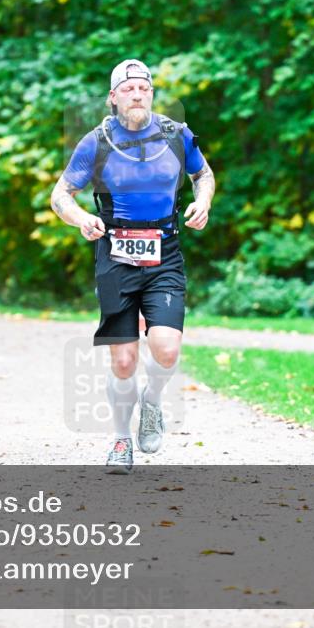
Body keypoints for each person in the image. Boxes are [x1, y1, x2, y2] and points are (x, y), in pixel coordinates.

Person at [50, 59, 216, 473]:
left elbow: (204, 175)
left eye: (144, 87)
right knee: (123, 362)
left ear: (152, 94)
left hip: (166, 252)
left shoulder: (177, 136)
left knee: (166, 348)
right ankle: (121, 441)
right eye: (128, 89)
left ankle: (153, 402)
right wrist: (82, 219)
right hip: (116, 256)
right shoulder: (97, 142)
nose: (137, 94)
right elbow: (60, 196)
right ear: (113, 97)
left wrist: (203, 201)